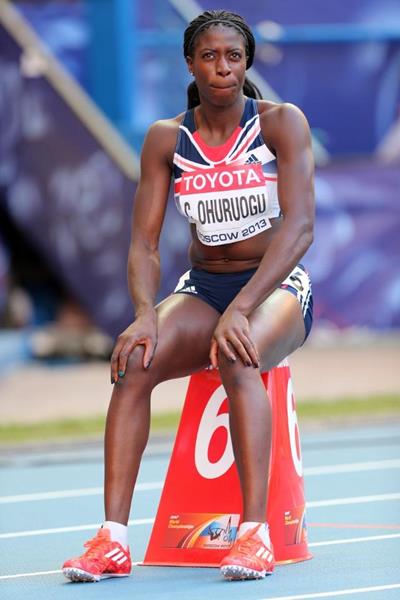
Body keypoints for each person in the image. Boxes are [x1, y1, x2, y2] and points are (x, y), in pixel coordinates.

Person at [62, 9, 314, 583]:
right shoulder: (166, 138)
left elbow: (300, 229)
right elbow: (144, 244)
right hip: (202, 288)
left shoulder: (280, 123)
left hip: (274, 286)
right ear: (190, 63)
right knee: (134, 364)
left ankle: (254, 537)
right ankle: (112, 541)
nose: (222, 67)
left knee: (238, 352)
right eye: (209, 56)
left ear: (246, 61)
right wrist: (145, 316)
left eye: (233, 56)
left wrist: (244, 309)